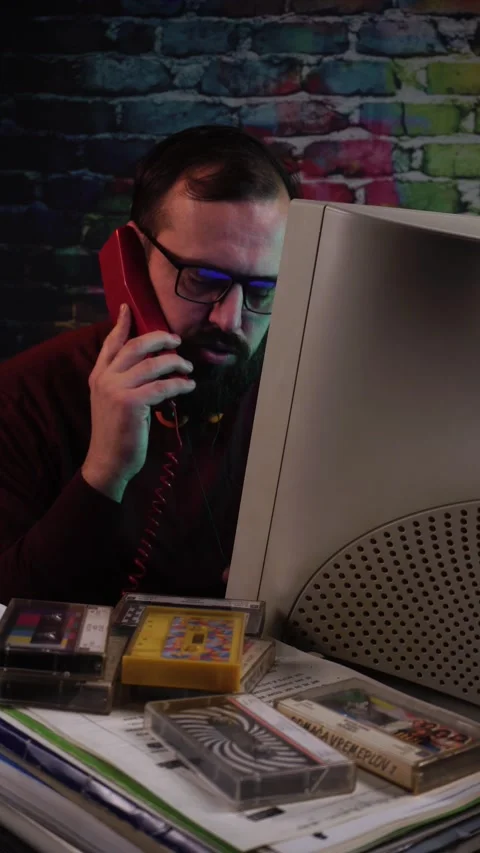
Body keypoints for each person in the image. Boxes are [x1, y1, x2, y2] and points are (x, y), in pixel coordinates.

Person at [0, 125, 296, 606]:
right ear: (133, 261)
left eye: (262, 290)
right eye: (202, 280)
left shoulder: (299, 398)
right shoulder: (21, 400)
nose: (229, 318)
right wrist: (104, 472)